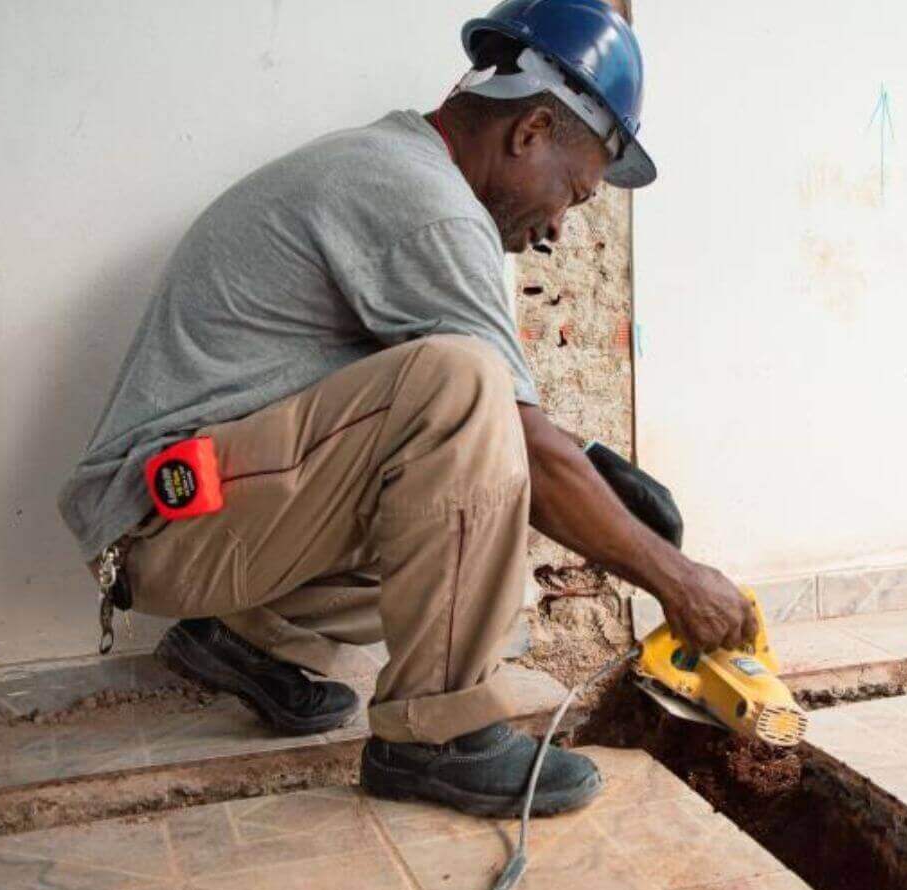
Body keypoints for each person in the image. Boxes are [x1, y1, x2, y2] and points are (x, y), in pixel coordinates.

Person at [57, 0, 753, 819]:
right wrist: (677, 581)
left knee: (481, 499)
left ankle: (250, 639)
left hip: (193, 521)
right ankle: (438, 735)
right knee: (466, 386)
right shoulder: (428, 204)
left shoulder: (402, 168)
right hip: (164, 521)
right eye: (573, 191)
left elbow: (477, 454)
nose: (560, 227)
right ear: (531, 131)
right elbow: (501, 426)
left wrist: (596, 472)